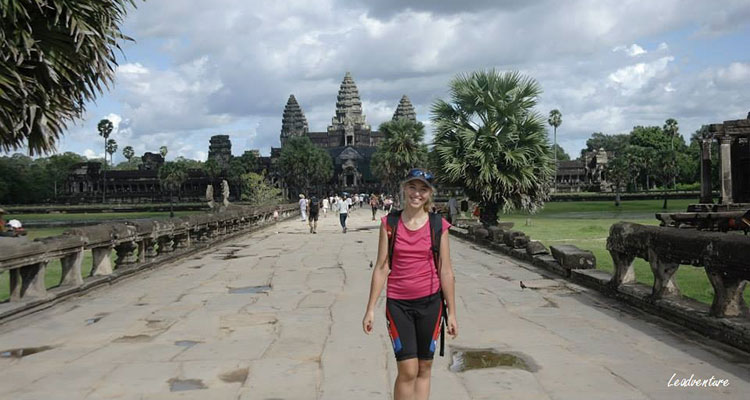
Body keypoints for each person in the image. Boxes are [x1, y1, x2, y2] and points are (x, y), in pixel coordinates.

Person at [362, 168, 458, 400]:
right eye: (413, 187)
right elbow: (382, 267)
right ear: (405, 188)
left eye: (423, 189)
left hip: (431, 303)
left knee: (424, 368)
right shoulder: (390, 223)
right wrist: (370, 309)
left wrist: (452, 313)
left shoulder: (438, 225)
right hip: (398, 305)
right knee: (408, 370)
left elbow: (445, 270)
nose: (417, 193)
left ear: (430, 194)